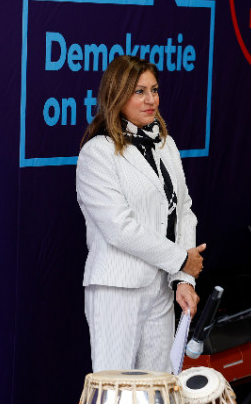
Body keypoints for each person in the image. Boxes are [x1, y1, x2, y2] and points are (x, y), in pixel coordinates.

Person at [76, 55, 205, 373]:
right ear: (116, 96)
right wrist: (179, 259)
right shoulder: (97, 152)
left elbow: (183, 211)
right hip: (116, 291)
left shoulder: (166, 144)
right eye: (139, 91)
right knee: (116, 391)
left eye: (155, 90)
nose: (151, 100)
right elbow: (120, 228)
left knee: (158, 388)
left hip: (160, 289)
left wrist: (183, 280)